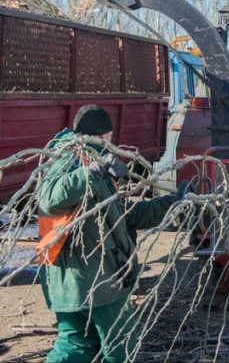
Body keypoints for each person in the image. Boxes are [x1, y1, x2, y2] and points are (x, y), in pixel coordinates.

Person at [37, 104, 196, 362]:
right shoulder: (72, 159)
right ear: (102, 136)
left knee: (76, 345)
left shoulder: (89, 162)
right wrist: (96, 171)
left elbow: (125, 216)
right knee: (120, 348)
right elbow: (50, 199)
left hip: (73, 281)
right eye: (109, 138)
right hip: (94, 279)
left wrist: (173, 203)